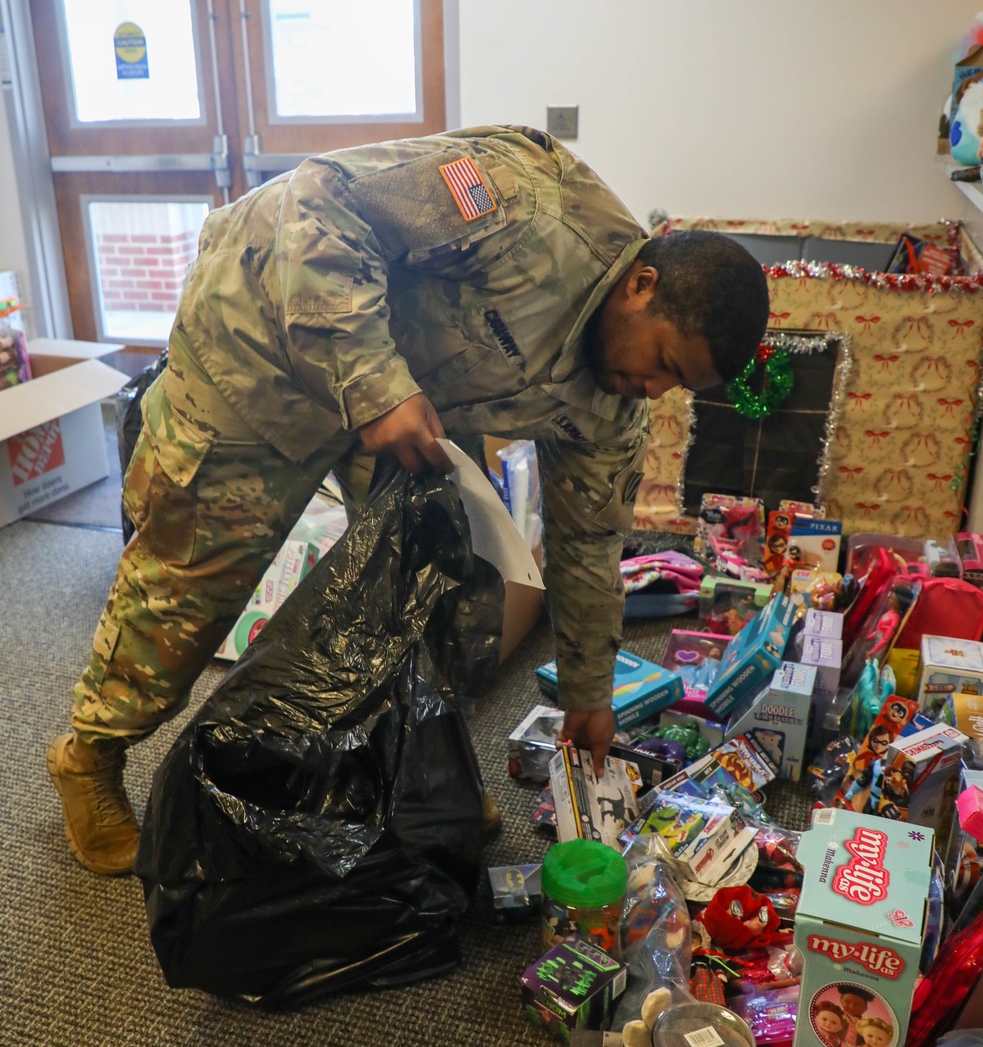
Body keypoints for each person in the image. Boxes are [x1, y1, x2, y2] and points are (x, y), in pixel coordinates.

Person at [45, 125, 769, 874]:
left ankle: (422, 777)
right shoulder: (523, 205)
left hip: (393, 401)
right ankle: (89, 756)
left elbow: (587, 546)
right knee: (189, 586)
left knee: (436, 584)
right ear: (640, 285)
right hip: (261, 337)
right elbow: (321, 198)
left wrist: (590, 692)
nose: (652, 390)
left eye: (674, 385)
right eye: (661, 362)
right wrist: (374, 385)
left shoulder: (616, 404)